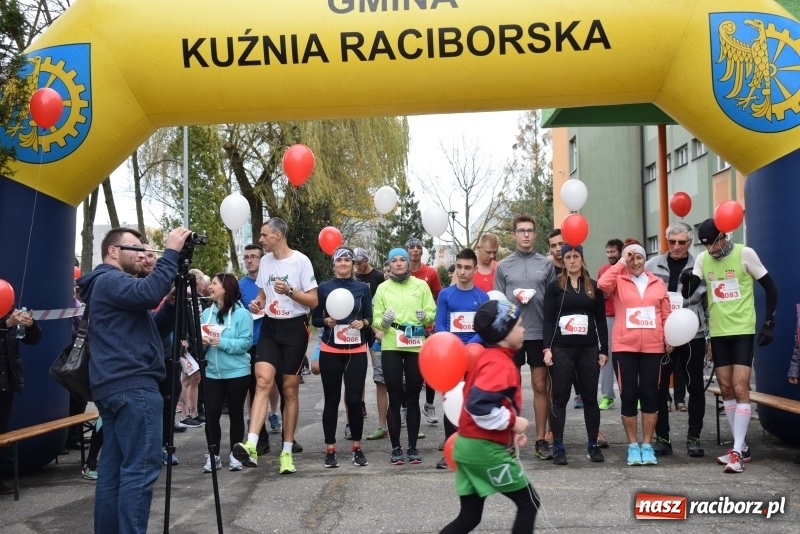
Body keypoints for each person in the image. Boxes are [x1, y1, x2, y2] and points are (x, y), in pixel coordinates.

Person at [77, 225, 191, 533]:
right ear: (114, 251)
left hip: (116, 388)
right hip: (133, 387)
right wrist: (170, 253)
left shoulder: (107, 286)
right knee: (140, 471)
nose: (143, 253)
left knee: (113, 473)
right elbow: (147, 292)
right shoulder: (111, 279)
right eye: (136, 248)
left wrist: (168, 305)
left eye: (145, 248)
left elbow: (150, 327)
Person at [681, 218, 778, 473]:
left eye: (712, 244)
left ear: (723, 236)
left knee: (739, 385)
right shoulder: (703, 259)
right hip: (719, 332)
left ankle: (736, 450)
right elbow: (690, 292)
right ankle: (741, 446)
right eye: (704, 246)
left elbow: (771, 287)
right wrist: (686, 280)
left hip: (742, 330)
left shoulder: (744, 253)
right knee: (725, 387)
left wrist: (769, 321)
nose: (710, 250)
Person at [439, 299, 540, 534]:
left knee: (469, 517)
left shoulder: (488, 358)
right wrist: (515, 422)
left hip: (466, 446)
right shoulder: (499, 364)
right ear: (503, 331)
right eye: (519, 324)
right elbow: (479, 406)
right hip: (482, 450)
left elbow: (488, 405)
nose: (524, 329)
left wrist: (509, 434)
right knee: (529, 503)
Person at [234, 218, 318, 475]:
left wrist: (291, 291)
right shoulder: (266, 262)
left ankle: (287, 450)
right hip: (270, 326)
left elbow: (313, 301)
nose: (261, 239)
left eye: (264, 235)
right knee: (262, 381)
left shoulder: (301, 261)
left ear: (278, 235)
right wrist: (258, 303)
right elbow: (261, 294)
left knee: (290, 390)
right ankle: (251, 443)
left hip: (295, 329)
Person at [598, 239, 671, 466]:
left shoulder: (657, 283)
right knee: (628, 397)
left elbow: (666, 314)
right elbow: (601, 284)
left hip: (652, 348)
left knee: (650, 397)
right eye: (631, 257)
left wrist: (669, 337)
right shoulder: (618, 280)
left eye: (639, 257)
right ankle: (632, 446)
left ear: (645, 260)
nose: (635, 261)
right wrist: (621, 262)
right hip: (625, 347)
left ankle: (647, 445)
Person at [494, 213, 556, 461]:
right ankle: (509, 440)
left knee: (541, 386)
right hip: (512, 335)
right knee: (511, 388)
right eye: (521, 231)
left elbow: (551, 301)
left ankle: (541, 440)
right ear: (514, 235)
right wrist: (514, 299)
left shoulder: (547, 264)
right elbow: (497, 303)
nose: (526, 235)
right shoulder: (503, 265)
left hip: (539, 333)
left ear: (535, 234)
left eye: (530, 230)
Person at [645, 222, 708, 458]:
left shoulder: (699, 266)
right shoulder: (652, 265)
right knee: (660, 387)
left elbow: (708, 303)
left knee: (695, 387)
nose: (677, 246)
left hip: (694, 334)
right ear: (666, 241)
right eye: (672, 242)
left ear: (690, 243)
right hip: (662, 335)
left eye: (682, 242)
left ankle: (694, 438)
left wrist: (710, 338)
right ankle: (663, 439)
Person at [542, 244, 608, 465]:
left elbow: (600, 320)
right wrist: (547, 348)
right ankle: (559, 446)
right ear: (563, 260)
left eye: (576, 256)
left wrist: (603, 349)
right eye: (568, 257)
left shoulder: (593, 287)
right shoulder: (554, 288)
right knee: (560, 398)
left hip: (588, 350)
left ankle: (592, 444)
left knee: (590, 398)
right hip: (561, 349)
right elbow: (548, 320)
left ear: (582, 259)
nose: (572, 260)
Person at [373, 247, 436, 465]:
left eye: (402, 260)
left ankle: (412, 447)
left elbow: (431, 311)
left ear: (409, 263)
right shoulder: (382, 288)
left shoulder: (421, 285)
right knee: (394, 395)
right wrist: (385, 322)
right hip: (391, 343)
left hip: (415, 344)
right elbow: (377, 320)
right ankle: (396, 448)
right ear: (389, 265)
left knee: (413, 397)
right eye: (394, 260)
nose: (399, 263)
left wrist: (425, 316)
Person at [312, 247, 373, 467]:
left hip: (356, 350)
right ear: (334, 264)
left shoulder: (362, 288)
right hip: (331, 349)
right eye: (340, 260)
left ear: (353, 263)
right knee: (332, 400)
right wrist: (325, 321)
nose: (344, 263)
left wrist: (363, 323)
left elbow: (369, 317)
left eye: (348, 260)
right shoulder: (324, 287)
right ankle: (330, 449)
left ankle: (357, 447)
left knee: (355, 401)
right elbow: (315, 320)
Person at [433, 248, 490, 469]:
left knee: (473, 403)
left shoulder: (481, 296)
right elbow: (440, 325)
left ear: (475, 269)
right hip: (451, 356)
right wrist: (454, 348)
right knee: (451, 402)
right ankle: (451, 450)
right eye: (459, 267)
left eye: (467, 268)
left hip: (474, 356)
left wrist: (469, 347)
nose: (463, 271)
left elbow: (484, 328)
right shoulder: (446, 294)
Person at [200, 273, 253, 473]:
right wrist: (202, 344)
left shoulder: (242, 314)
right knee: (211, 414)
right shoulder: (206, 313)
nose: (209, 286)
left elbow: (246, 342)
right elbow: (202, 341)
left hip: (237, 372)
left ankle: (235, 454)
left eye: (214, 283)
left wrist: (222, 343)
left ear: (226, 288)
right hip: (212, 373)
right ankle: (213, 455)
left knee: (235, 413)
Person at [239, 244, 278, 456]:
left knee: (281, 385)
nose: (249, 260)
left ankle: (288, 436)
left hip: (276, 340)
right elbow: (234, 312)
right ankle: (260, 437)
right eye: (246, 257)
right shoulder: (239, 285)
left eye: (254, 256)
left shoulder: (272, 281)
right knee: (256, 390)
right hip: (253, 343)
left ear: (262, 260)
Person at [0, 306, 41, 495]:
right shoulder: (8, 319)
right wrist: (6, 325)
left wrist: (30, 325)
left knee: (1, 431)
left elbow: (33, 339)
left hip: (5, 383)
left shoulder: (10, 312)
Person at [354, 248, 390, 441]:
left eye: (361, 262)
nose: (358, 266)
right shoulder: (354, 277)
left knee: (381, 371)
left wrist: (377, 329)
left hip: (377, 328)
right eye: (356, 263)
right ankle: (359, 403)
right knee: (359, 369)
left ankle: (396, 417)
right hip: (358, 327)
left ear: (367, 260)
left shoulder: (378, 277)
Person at [406, 237, 442, 426]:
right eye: (411, 247)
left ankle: (429, 404)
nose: (415, 250)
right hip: (406, 328)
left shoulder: (431, 272)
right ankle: (406, 406)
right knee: (408, 369)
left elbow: (439, 297)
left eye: (418, 247)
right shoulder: (400, 271)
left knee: (429, 367)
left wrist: (435, 321)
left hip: (426, 328)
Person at [547, 229, 584, 411]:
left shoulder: (577, 263)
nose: (558, 249)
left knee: (583, 377)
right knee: (556, 386)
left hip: (578, 332)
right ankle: (553, 428)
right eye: (553, 246)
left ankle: (594, 431)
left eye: (561, 244)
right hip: (555, 333)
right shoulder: (547, 269)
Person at [597, 239, 624, 411]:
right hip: (607, 318)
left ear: (620, 252)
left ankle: (632, 394)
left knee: (627, 358)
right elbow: (599, 292)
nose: (610, 255)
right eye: (607, 252)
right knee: (605, 357)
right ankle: (607, 396)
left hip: (625, 318)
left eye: (613, 252)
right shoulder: (603, 271)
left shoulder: (627, 269)